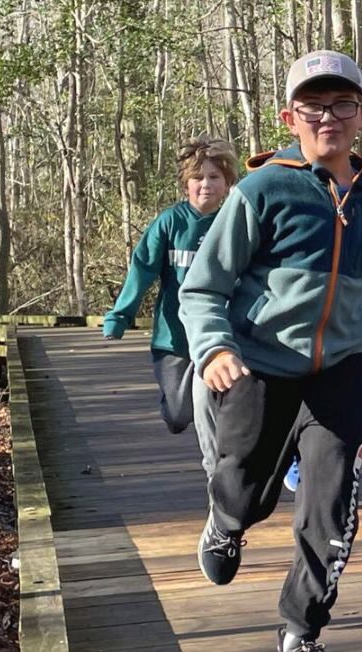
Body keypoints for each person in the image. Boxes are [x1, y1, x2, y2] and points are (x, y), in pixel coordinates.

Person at [179, 50, 362, 652]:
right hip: (259, 367)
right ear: (289, 116)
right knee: (246, 489)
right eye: (313, 105)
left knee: (331, 507)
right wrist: (215, 348)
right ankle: (226, 521)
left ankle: (300, 636)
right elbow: (203, 287)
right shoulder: (262, 191)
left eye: (342, 104)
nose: (327, 116)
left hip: (339, 374)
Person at [104, 135, 238, 478]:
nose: (206, 185)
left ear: (227, 183)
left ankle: (221, 472)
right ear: (186, 183)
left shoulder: (236, 223)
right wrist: (121, 315)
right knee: (179, 416)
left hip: (223, 337)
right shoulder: (170, 222)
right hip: (173, 337)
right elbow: (143, 268)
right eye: (198, 178)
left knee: (226, 407)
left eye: (214, 177)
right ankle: (176, 407)